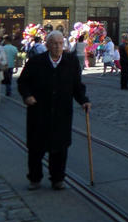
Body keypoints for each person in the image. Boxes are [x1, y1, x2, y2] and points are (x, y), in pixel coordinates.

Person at [17, 31, 90, 190]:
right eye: (54, 44)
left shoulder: (71, 62)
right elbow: (23, 82)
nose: (58, 47)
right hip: (39, 112)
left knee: (60, 148)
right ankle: (35, 178)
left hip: (61, 113)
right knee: (36, 148)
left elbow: (77, 86)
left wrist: (83, 100)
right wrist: (27, 96)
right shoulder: (36, 62)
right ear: (47, 45)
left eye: (60, 43)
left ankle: (58, 179)